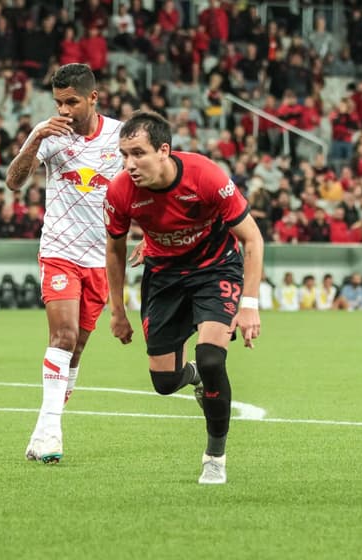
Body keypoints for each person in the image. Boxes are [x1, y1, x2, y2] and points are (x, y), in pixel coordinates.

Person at [104, 111, 264, 485]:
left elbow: (253, 239)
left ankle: (215, 456)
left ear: (164, 150)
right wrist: (117, 310)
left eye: (138, 153)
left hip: (215, 271)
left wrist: (250, 305)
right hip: (164, 279)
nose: (129, 164)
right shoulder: (120, 191)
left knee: (211, 359)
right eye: (124, 154)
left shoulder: (205, 176)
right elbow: (113, 251)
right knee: (163, 383)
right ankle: (188, 376)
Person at [5, 63, 125, 464]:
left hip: (102, 258)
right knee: (64, 337)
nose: (64, 110)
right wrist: (35, 139)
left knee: (76, 352)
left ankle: (42, 429)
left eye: (72, 101)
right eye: (58, 102)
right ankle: (53, 433)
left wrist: (147, 236)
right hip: (59, 250)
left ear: (93, 97)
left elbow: (141, 188)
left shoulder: (120, 137)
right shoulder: (49, 133)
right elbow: (13, 181)